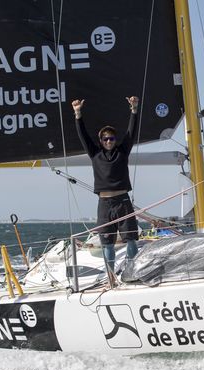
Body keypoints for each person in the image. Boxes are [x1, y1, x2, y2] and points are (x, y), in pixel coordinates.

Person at [72, 96, 140, 287]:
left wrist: (134, 110)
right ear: (101, 141)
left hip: (123, 202)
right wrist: (78, 114)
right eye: (105, 139)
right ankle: (111, 278)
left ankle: (131, 272)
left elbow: (131, 132)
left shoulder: (122, 151)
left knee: (131, 241)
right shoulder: (95, 154)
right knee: (107, 243)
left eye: (111, 138)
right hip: (105, 204)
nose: (109, 141)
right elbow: (83, 136)